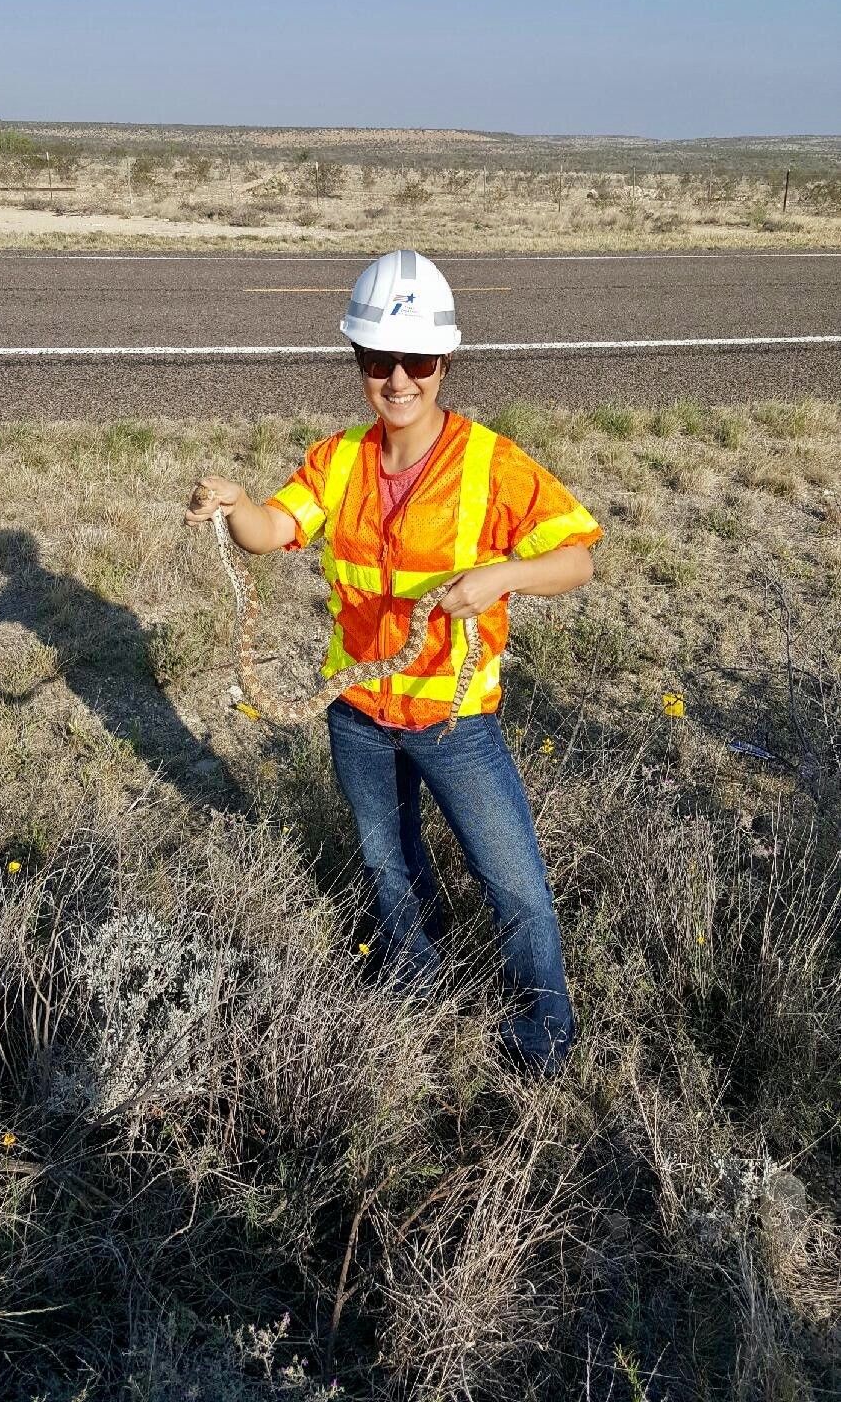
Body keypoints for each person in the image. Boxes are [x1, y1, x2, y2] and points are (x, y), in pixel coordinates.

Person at [185, 249, 604, 1073]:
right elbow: (275, 530)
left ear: (444, 362)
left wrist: (501, 576)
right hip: (359, 716)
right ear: (359, 363)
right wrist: (236, 504)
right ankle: (416, 986)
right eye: (380, 361)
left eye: (416, 361)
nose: (399, 379)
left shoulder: (492, 464)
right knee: (388, 862)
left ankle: (544, 1041)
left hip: (455, 721)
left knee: (512, 880)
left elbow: (579, 559)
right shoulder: (337, 458)